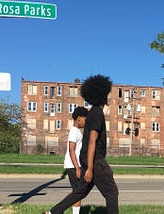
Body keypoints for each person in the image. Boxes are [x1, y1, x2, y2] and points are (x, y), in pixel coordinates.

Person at [46, 74, 119, 214]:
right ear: (103, 94)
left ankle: (53, 212)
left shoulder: (91, 113)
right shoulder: (97, 113)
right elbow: (92, 141)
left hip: (85, 158)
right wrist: (90, 168)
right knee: (111, 193)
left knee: (80, 192)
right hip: (95, 160)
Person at [63, 106, 88, 214]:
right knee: (78, 193)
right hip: (73, 166)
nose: (85, 122)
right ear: (79, 118)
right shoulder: (74, 131)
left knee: (77, 192)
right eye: (85, 119)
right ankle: (55, 211)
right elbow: (71, 150)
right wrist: (77, 168)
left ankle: (57, 210)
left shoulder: (77, 131)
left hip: (75, 165)